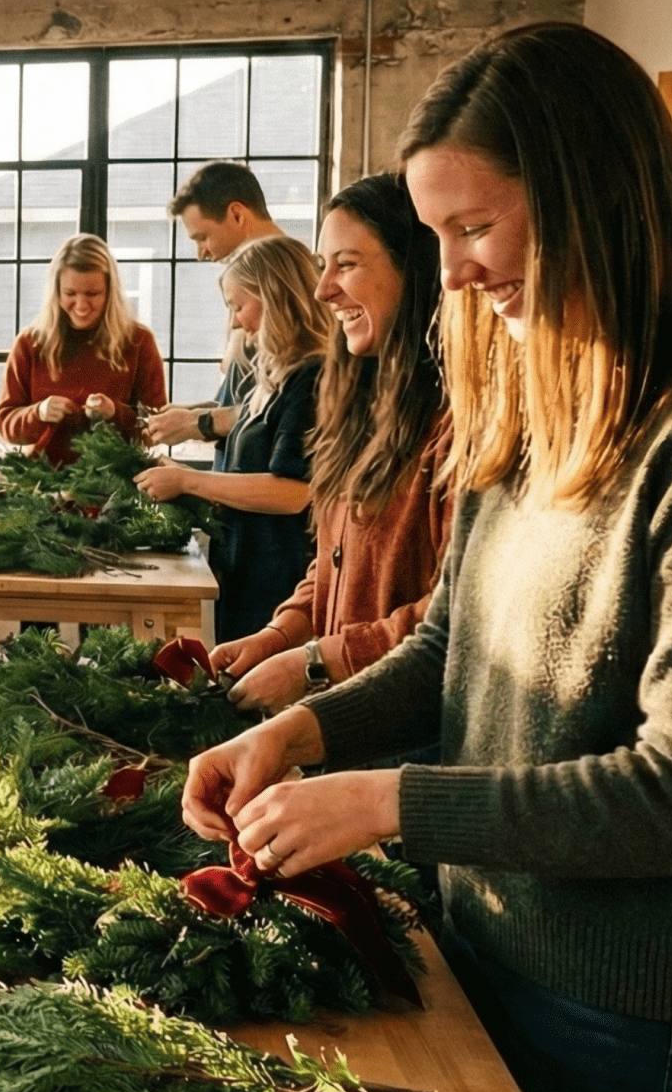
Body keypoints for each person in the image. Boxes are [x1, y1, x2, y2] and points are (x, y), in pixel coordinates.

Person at [181, 23, 672, 1092]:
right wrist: (296, 737)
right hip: (488, 962)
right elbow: (443, 645)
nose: (455, 275)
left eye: (474, 230)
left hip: (635, 1024)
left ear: (592, 196)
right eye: (438, 237)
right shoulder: (527, 412)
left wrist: (388, 798)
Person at [209, 173, 451, 713]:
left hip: (408, 738)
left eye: (346, 265)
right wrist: (280, 635)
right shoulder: (357, 405)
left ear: (415, 269)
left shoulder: (453, 426)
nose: (324, 290)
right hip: (344, 722)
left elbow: (456, 615)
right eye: (323, 267)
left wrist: (316, 661)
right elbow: (334, 561)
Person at [135, 233, 327, 643]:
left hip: (279, 578)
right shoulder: (272, 375)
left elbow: (293, 491)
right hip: (245, 566)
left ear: (274, 296)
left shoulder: (311, 377)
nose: (237, 321)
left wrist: (188, 480)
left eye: (239, 306)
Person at [146, 162, 289, 455]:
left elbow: (285, 412)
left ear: (237, 214)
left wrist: (195, 423)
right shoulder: (248, 285)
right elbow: (250, 400)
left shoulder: (291, 287)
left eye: (202, 237)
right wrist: (190, 414)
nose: (201, 253)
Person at [0, 233, 167, 466]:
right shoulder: (29, 344)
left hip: (115, 483)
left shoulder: (139, 342)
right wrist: (38, 413)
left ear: (110, 292)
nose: (81, 305)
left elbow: (155, 428)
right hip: (41, 483)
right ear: (56, 292)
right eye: (70, 294)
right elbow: (6, 424)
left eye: (92, 294)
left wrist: (114, 413)